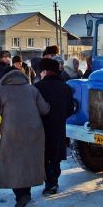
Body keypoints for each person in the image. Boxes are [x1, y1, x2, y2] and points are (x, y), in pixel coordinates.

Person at [0, 70, 50, 207]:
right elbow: (45, 110)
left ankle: (21, 195)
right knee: (28, 161)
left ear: (6, 79)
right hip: (34, 130)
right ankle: (26, 193)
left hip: (12, 133)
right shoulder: (32, 89)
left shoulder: (2, 91)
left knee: (14, 163)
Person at [34, 59, 74, 195]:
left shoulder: (37, 87)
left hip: (42, 127)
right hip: (58, 127)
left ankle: (50, 182)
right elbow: (70, 109)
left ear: (44, 71)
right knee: (55, 157)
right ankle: (54, 181)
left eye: (41, 71)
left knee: (44, 156)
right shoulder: (66, 87)